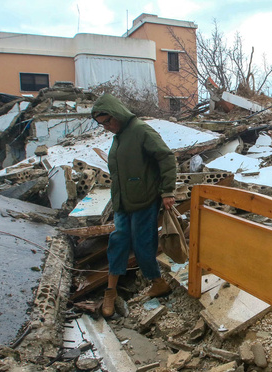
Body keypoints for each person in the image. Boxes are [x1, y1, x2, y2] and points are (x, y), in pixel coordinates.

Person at [91, 93, 177, 318]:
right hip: (122, 201)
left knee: (142, 244)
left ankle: (158, 283)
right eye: (102, 124)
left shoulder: (141, 130)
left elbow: (166, 157)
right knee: (118, 241)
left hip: (144, 199)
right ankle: (110, 292)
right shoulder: (118, 136)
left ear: (117, 113)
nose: (107, 127)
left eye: (108, 121)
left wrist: (167, 191)